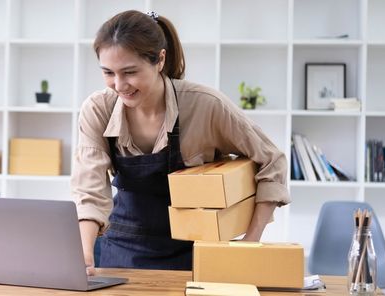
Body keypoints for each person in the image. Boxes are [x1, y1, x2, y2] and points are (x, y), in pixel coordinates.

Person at [71, 10, 291, 275]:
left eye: (129, 72)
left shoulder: (205, 105)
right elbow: (90, 189)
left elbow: (272, 160)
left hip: (198, 250)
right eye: (108, 72)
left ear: (160, 59)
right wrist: (84, 254)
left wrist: (250, 242)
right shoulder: (98, 109)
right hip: (123, 248)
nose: (119, 85)